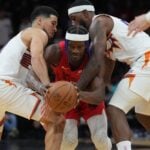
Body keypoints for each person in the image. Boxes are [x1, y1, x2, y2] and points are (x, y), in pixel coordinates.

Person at [67, 0, 150, 149]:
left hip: (146, 60)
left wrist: (76, 88)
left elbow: (96, 60)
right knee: (143, 114)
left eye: (74, 18)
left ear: (86, 13)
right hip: (144, 62)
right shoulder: (105, 31)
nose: (73, 24)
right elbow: (107, 65)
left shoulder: (98, 22)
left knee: (115, 109)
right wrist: (101, 88)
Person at [0, 5, 65, 150]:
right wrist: (48, 86)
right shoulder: (38, 33)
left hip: (4, 88)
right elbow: (37, 58)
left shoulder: (22, 40)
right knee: (57, 119)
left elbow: (26, 76)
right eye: (53, 23)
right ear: (40, 21)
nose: (55, 29)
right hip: (6, 86)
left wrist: (41, 88)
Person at [44, 25, 112, 150]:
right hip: (63, 101)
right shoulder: (54, 52)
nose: (75, 51)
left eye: (79, 47)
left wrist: (76, 94)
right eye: (72, 46)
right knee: (68, 141)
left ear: (86, 46)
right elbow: (36, 74)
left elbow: (99, 96)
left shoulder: (95, 58)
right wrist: (45, 92)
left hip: (89, 100)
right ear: (66, 44)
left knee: (100, 140)